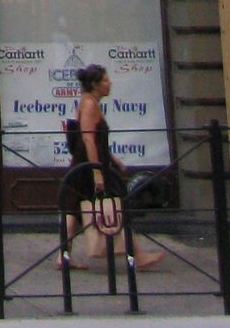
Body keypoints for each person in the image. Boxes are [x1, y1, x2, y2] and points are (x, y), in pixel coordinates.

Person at [61, 64, 161, 270]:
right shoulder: (90, 105)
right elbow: (88, 139)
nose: (110, 83)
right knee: (117, 206)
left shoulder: (88, 102)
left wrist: (114, 159)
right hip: (90, 167)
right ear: (95, 84)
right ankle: (139, 256)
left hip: (84, 165)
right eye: (106, 80)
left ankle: (63, 256)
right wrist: (97, 172)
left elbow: (94, 140)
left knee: (72, 209)